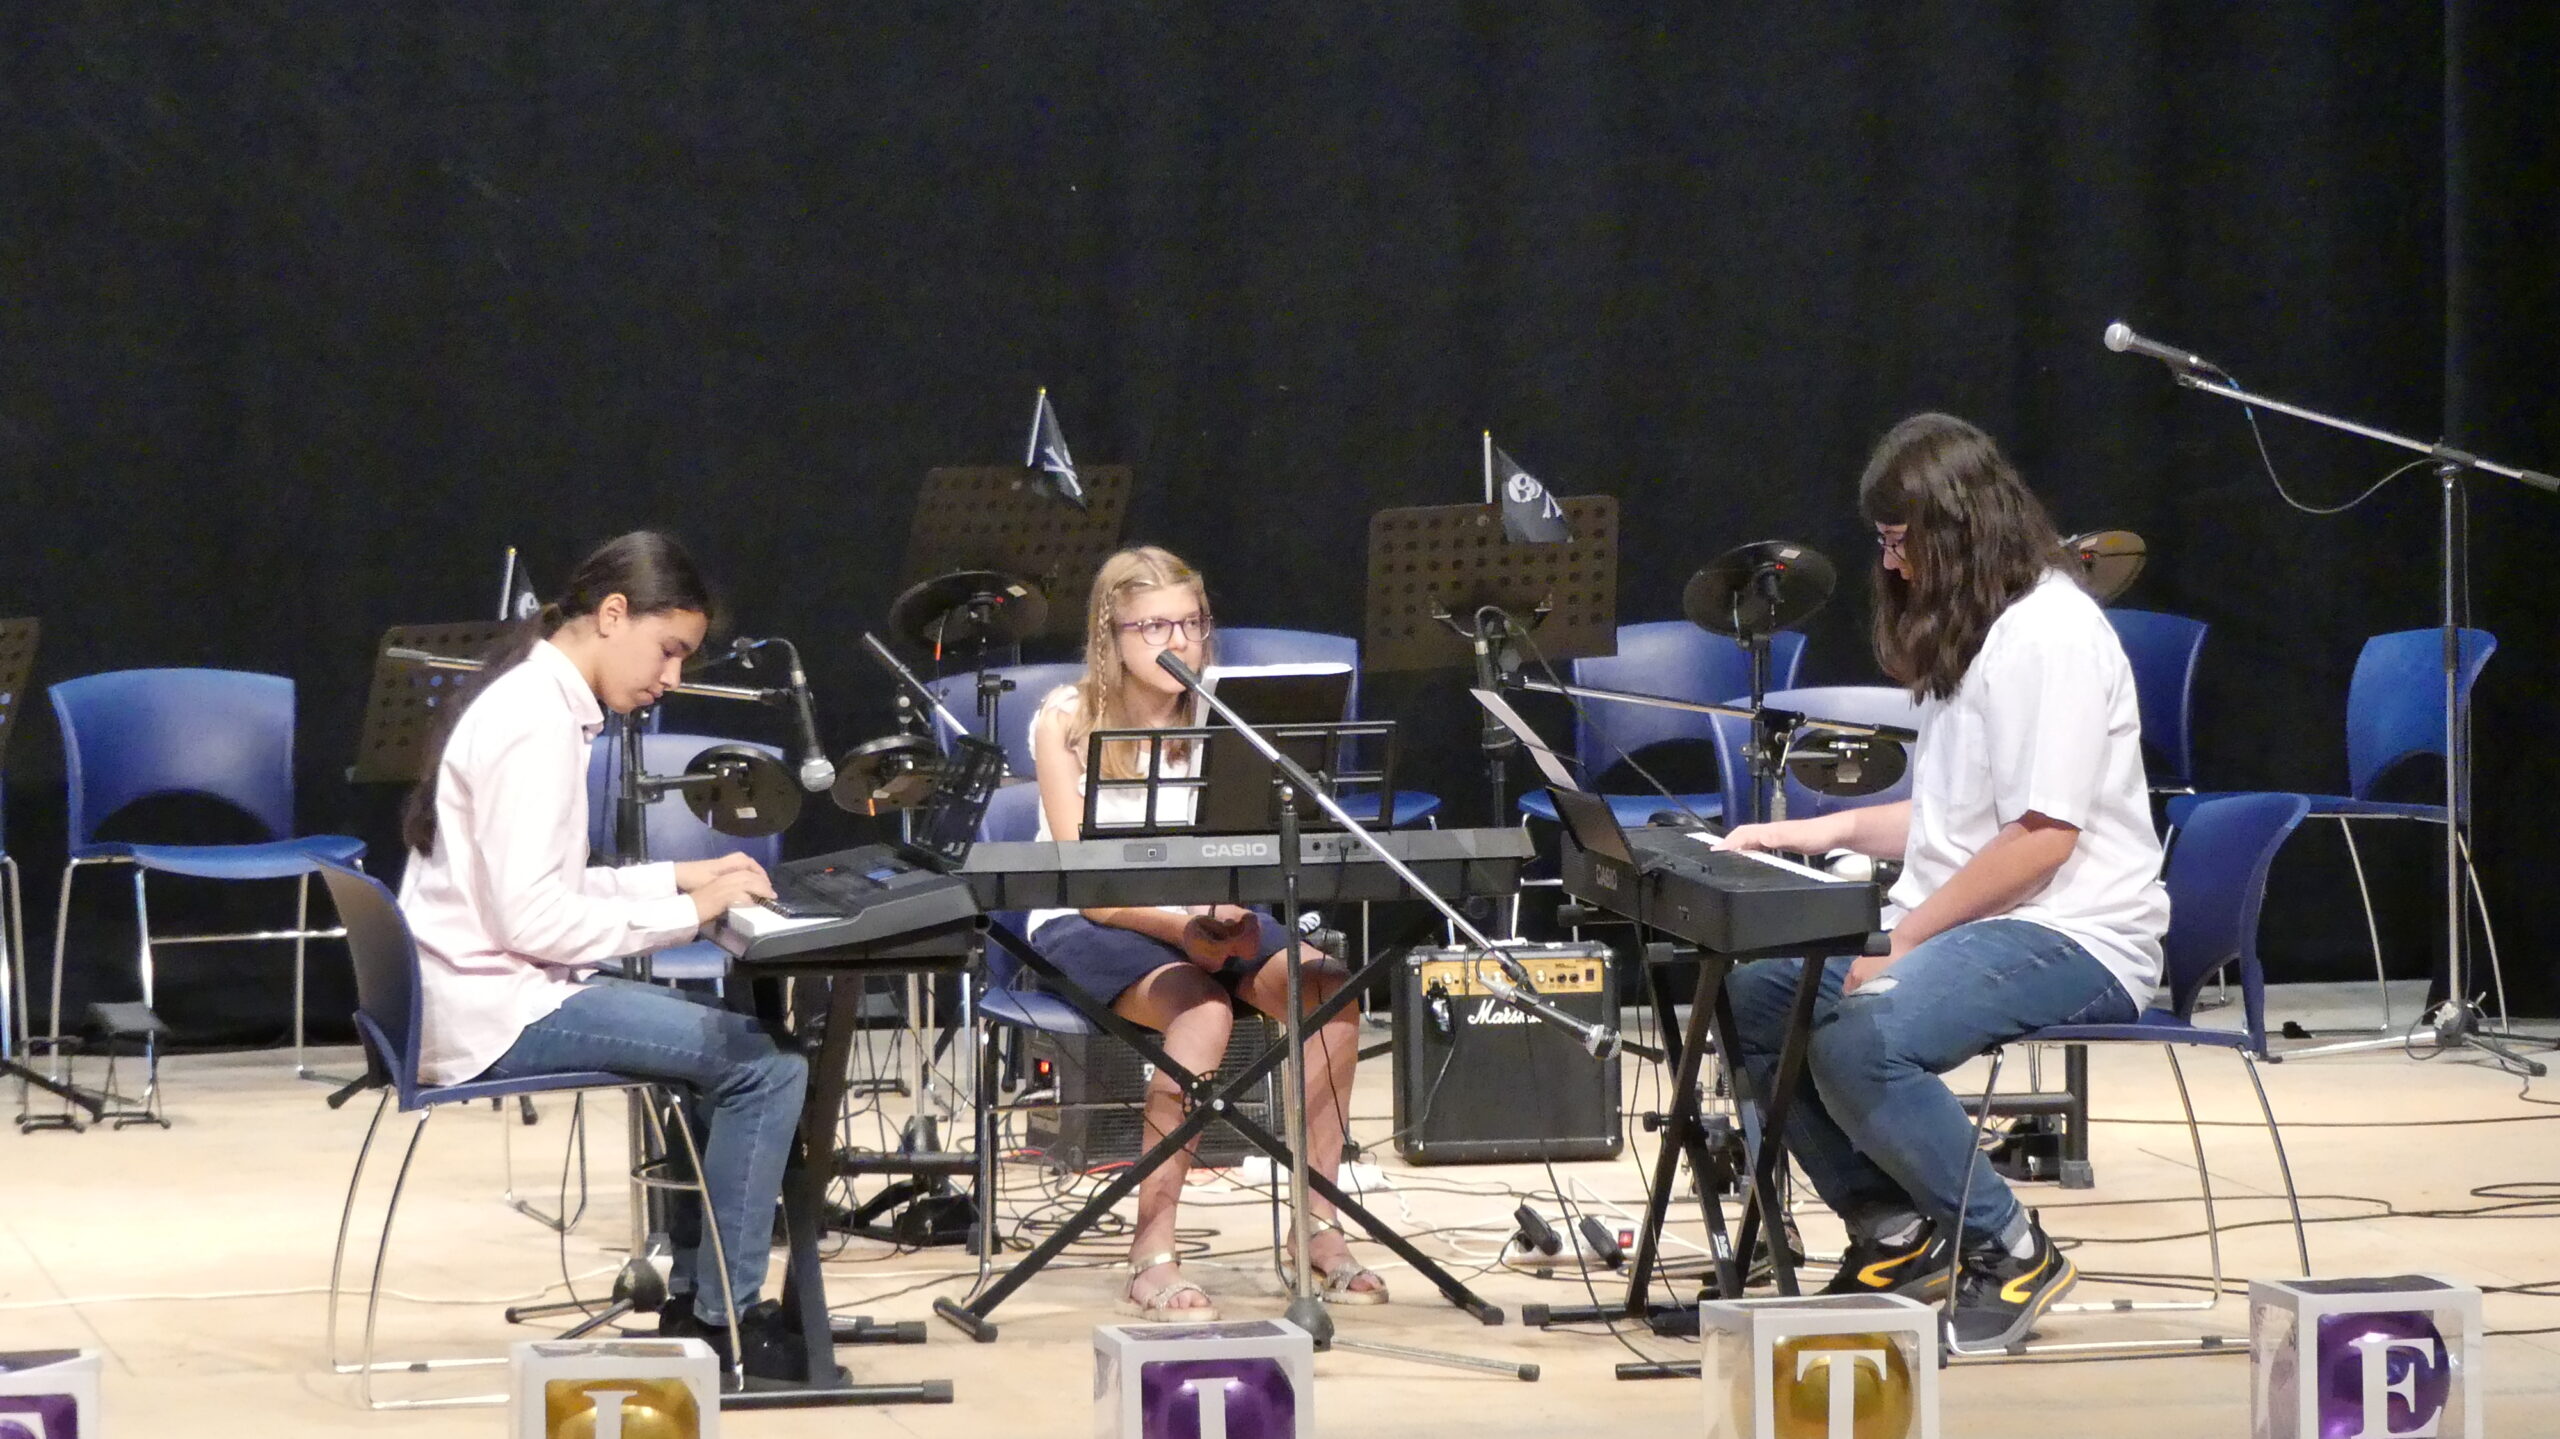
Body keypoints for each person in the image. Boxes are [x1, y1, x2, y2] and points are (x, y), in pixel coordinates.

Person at [1715, 414, 2169, 1353]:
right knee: (1755, 996)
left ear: (1960, 527)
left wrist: (1907, 938)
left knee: (1861, 1034)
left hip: (2077, 932)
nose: (1891, 564)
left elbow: (2040, 840)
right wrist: (1813, 832)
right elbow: (1957, 817)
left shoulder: (2052, 634)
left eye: (1900, 541)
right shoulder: (1982, 631)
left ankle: (2012, 1248)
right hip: (1985, 918)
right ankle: (1895, 1231)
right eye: (1883, 542)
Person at [397, 531, 804, 1374]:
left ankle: (697, 1302)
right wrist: (689, 913)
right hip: (493, 1009)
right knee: (766, 1067)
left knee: (719, 1048)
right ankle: (728, 1325)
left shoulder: (536, 697)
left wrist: (680, 876)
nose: (673, 677)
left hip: (486, 988)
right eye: (669, 649)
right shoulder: (535, 720)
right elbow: (535, 920)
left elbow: (554, 884)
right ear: (613, 614)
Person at [1023, 544, 1384, 1320]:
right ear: (1111, 633)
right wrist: (1183, 928)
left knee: (1329, 990)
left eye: (1192, 623)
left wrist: (1222, 917)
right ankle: (1151, 1249)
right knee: (1204, 1011)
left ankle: (1318, 1225)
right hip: (1094, 919)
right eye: (1154, 625)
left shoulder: (1228, 718)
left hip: (1207, 913)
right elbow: (1085, 884)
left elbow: (1245, 849)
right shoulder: (1067, 720)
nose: (1179, 641)